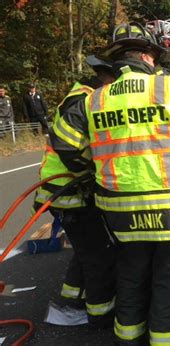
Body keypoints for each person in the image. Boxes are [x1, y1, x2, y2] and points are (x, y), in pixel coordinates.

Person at [51, 22, 170, 345]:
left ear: (117, 60)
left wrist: (94, 166)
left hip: (119, 212)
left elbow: (64, 144)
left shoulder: (95, 100)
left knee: (130, 275)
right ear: (149, 56)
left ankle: (128, 337)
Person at [34, 55, 117, 328]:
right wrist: (92, 171)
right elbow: (68, 145)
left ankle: (70, 301)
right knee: (98, 254)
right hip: (67, 190)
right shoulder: (85, 98)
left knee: (85, 250)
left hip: (63, 189)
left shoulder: (85, 94)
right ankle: (100, 314)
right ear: (106, 76)